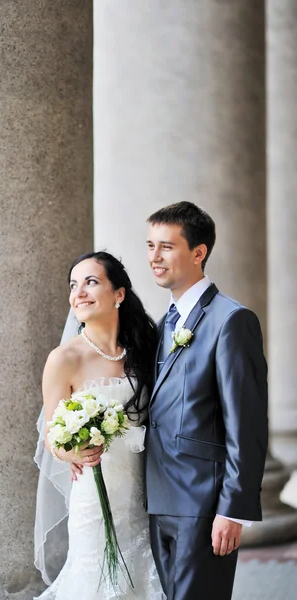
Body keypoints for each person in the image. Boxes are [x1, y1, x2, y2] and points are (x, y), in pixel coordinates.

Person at [145, 201, 268, 600]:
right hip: (158, 499)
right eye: (150, 245)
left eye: (166, 246)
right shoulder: (163, 324)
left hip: (203, 504)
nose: (154, 257)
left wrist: (232, 510)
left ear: (198, 253)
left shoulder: (232, 321)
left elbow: (245, 425)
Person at [34, 251, 163, 599]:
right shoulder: (64, 359)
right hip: (95, 496)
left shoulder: (145, 348)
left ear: (118, 294)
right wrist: (72, 449)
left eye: (91, 282)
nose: (79, 292)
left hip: (148, 492)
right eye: (74, 285)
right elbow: (53, 435)